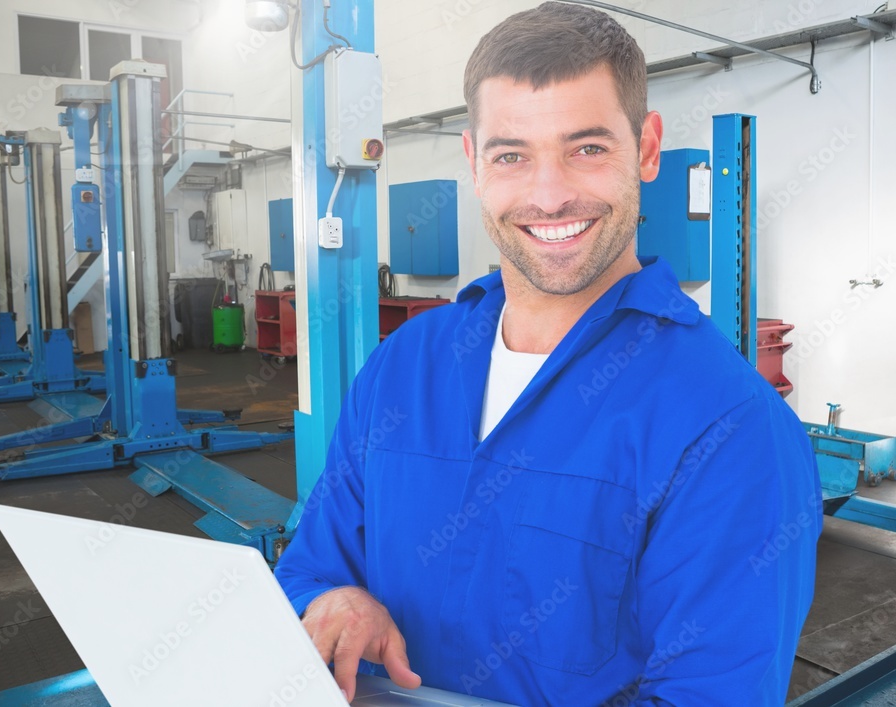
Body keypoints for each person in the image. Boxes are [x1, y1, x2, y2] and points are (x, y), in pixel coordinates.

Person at [275, 3, 822, 705]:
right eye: (512, 155)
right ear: (475, 163)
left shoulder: (728, 429)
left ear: (647, 149)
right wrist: (333, 599)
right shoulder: (402, 368)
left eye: (587, 147)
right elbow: (312, 564)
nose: (549, 193)